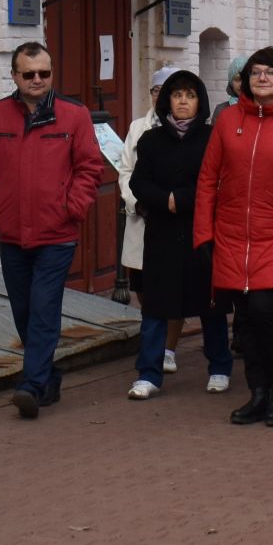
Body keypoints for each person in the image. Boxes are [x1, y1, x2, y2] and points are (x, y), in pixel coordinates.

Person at [0, 42, 112, 419]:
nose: (37, 80)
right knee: (24, 309)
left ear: (52, 74)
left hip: (57, 234)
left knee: (44, 307)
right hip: (13, 233)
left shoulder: (73, 115)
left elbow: (90, 168)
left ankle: (31, 384)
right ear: (14, 75)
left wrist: (73, 209)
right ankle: (48, 378)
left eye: (44, 73)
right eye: (28, 73)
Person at [194, 47, 273, 427]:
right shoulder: (228, 121)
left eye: (271, 72)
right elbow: (207, 180)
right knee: (245, 320)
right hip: (232, 236)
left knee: (269, 313)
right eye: (255, 72)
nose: (262, 78)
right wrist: (203, 234)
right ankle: (258, 393)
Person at [126, 71, 232, 396]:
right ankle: (148, 373)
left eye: (190, 94)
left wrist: (182, 198)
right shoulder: (151, 140)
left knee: (210, 305)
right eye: (176, 95)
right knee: (157, 305)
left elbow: (220, 180)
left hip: (201, 233)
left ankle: (219, 367)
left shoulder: (214, 137)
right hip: (162, 232)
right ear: (166, 100)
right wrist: (163, 199)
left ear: (200, 100)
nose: (183, 101)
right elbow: (138, 181)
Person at [118, 65, 177, 371]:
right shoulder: (138, 128)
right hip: (143, 217)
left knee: (176, 284)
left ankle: (168, 348)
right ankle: (153, 340)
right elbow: (126, 170)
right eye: (157, 91)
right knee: (143, 284)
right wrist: (136, 202)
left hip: (174, 216)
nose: (162, 97)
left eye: (168, 91)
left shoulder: (190, 128)